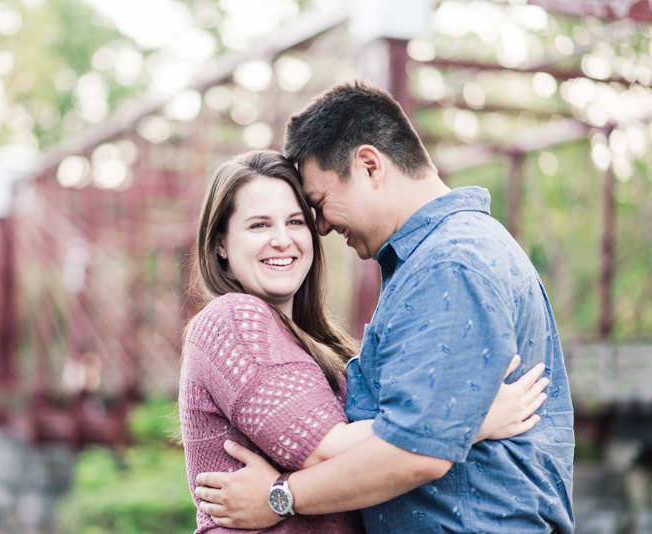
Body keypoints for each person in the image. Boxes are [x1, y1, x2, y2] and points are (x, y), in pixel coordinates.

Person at [194, 82, 575, 533]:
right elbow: (406, 438)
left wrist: (280, 496)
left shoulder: (449, 262)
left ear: (369, 165)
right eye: (260, 224)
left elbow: (418, 451)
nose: (318, 227)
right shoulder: (440, 257)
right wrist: (465, 422)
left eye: (311, 207)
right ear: (220, 244)